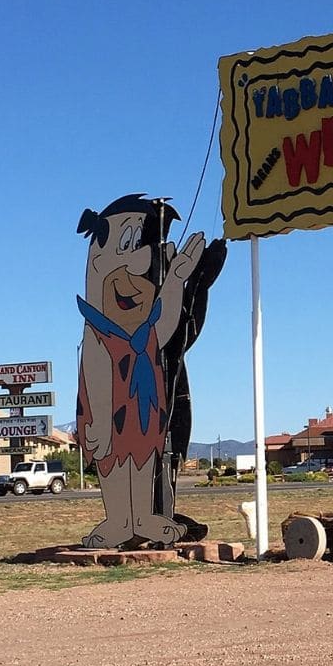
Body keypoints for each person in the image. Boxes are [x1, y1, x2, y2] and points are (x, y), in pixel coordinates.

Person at [76, 194, 209, 549]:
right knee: (113, 460)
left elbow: (165, 320)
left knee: (142, 456)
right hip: (111, 406)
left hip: (144, 405)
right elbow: (95, 368)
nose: (137, 263)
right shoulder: (99, 331)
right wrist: (101, 419)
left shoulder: (145, 332)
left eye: (143, 246)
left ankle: (142, 518)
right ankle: (119, 519)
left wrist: (177, 276)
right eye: (128, 243)